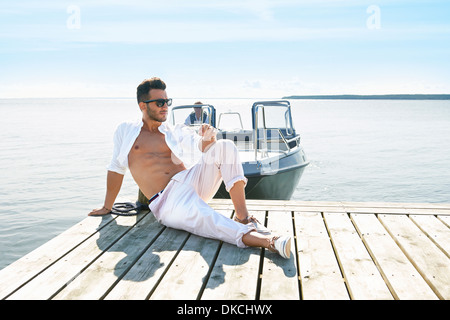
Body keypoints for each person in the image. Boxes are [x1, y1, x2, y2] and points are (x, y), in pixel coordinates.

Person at [89, 77, 291, 259]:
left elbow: (200, 146)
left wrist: (207, 138)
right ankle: (270, 242)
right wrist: (107, 207)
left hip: (189, 180)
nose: (165, 107)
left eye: (167, 102)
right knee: (208, 218)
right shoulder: (126, 131)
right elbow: (116, 168)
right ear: (143, 105)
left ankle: (243, 217)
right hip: (167, 200)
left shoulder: (173, 131)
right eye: (160, 103)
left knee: (225, 146)